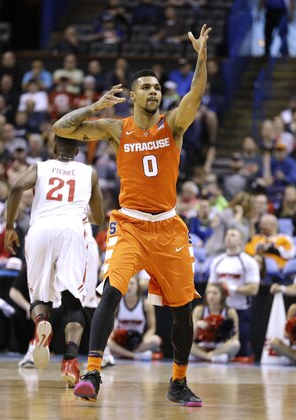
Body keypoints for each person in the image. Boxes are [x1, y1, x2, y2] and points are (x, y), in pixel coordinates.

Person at [52, 25, 213, 406]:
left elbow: (196, 94)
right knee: (111, 291)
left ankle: (177, 382)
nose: (154, 92)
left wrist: (201, 57)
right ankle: (92, 372)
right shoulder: (116, 128)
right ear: (134, 95)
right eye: (146, 87)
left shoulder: (173, 124)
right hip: (129, 224)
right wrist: (94, 108)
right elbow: (62, 129)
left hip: (169, 227)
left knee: (183, 310)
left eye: (157, 87)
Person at [4, 135, 105, 387]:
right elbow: (100, 217)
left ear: (53, 148)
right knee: (74, 301)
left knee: (40, 298)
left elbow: (16, 187)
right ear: (78, 150)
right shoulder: (88, 173)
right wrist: (81, 212)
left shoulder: (40, 167)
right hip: (71, 231)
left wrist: (9, 227)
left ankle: (41, 323)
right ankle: (70, 362)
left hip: (40, 230)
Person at [209, 228, 261, 357]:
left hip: (240, 309)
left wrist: (231, 288)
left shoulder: (249, 262)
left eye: (233, 235)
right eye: (227, 234)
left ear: (241, 240)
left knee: (240, 350)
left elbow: (254, 289)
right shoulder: (217, 261)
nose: (228, 237)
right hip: (220, 311)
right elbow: (210, 286)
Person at [108, 275, 162, 360]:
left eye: (132, 283)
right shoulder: (117, 303)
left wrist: (144, 339)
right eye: (127, 283)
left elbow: (152, 328)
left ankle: (122, 353)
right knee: (106, 340)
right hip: (120, 340)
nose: (129, 286)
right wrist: (112, 335)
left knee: (156, 340)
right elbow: (109, 323)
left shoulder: (146, 304)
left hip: (138, 341)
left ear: (138, 286)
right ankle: (135, 355)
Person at [191, 283, 241, 363]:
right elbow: (191, 337)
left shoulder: (230, 311)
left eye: (215, 293)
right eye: (209, 293)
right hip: (202, 345)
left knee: (236, 344)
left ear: (222, 296)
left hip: (221, 346)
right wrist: (197, 325)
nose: (211, 296)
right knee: (184, 343)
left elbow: (235, 337)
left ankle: (205, 356)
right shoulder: (199, 310)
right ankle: (210, 357)